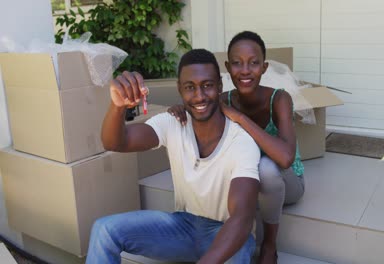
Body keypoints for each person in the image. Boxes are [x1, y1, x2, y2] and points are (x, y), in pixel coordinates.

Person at [86, 49, 261, 264]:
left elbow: (242, 219)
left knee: (238, 248)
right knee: (104, 229)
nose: (199, 95)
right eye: (190, 87)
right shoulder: (173, 123)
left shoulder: (241, 142)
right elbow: (115, 142)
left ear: (219, 87)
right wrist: (117, 106)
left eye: (207, 85)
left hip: (226, 233)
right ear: (180, 90)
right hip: (183, 227)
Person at [168, 31, 305, 264]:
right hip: (248, 181)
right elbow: (198, 102)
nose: (244, 71)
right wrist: (181, 108)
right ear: (227, 68)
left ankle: (269, 244)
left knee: (267, 168)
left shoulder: (279, 99)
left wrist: (240, 118)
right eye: (237, 63)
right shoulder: (221, 100)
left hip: (286, 180)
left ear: (264, 67)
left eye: (253, 63)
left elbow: (285, 158)